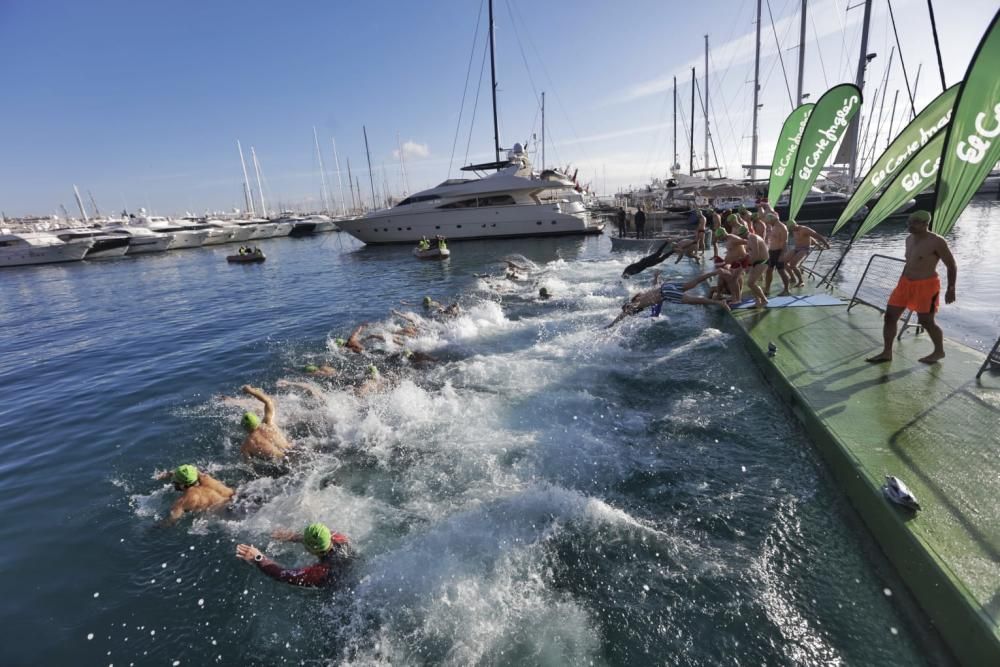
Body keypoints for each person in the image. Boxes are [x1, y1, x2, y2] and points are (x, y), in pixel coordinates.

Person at [865, 210, 957, 364]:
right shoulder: (908, 239)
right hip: (905, 284)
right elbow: (910, 262)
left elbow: (951, 266)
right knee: (890, 317)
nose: (910, 225)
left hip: (926, 286)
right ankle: (887, 352)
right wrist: (901, 280)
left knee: (926, 321)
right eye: (909, 221)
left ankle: (939, 351)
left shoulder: (937, 241)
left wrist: (951, 289)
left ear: (925, 224)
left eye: (915, 222)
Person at [236, 522, 354, 588]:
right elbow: (317, 538)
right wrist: (291, 536)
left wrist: (258, 558)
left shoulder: (320, 572)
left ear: (310, 550)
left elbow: (283, 575)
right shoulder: (340, 538)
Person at [607, 269, 729, 327]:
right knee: (693, 282)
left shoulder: (637, 305)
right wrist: (656, 276)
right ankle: (717, 272)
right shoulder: (641, 296)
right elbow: (654, 286)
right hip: (666, 286)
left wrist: (612, 324)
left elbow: (624, 313)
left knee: (694, 300)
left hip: (666, 293)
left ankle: (719, 303)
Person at [155, 465, 234, 525]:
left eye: (175, 482)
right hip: (238, 500)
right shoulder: (205, 477)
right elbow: (192, 470)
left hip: (229, 516)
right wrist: (167, 475)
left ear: (182, 485)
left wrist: (155, 528)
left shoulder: (183, 501)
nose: (174, 483)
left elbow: (170, 521)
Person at [240, 385, 293, 460]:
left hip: (281, 461)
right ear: (257, 420)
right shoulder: (268, 423)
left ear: (245, 428)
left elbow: (248, 465)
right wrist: (250, 391)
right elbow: (268, 401)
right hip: (293, 451)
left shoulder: (246, 445)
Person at [782, 220, 830, 288]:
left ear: (794, 225)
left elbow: (816, 235)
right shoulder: (793, 230)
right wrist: (816, 244)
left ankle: (801, 281)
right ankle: (793, 278)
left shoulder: (804, 229)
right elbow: (809, 237)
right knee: (783, 262)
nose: (790, 230)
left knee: (793, 265)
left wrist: (826, 244)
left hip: (804, 249)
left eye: (790, 228)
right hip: (796, 248)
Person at [763, 213, 791, 296]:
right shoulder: (773, 226)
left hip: (779, 251)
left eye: (769, 222)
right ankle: (767, 289)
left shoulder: (782, 227)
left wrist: (782, 255)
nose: (768, 224)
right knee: (768, 271)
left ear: (772, 220)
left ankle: (786, 290)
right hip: (771, 251)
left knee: (781, 271)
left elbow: (785, 242)